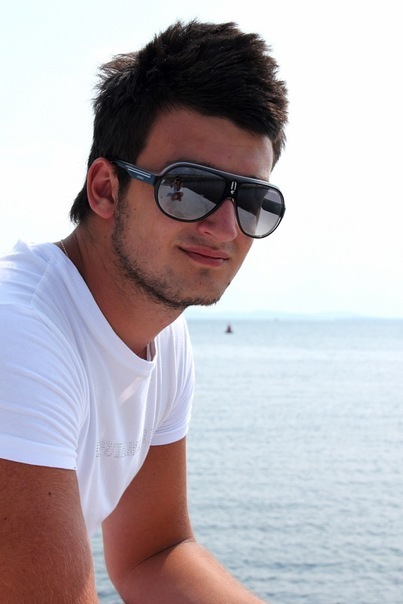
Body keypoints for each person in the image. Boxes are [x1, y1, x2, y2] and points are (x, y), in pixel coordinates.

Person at [0, 20, 288, 603]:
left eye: (253, 201)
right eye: (189, 189)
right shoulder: (19, 336)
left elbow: (152, 553)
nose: (225, 228)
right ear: (106, 189)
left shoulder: (164, 336)